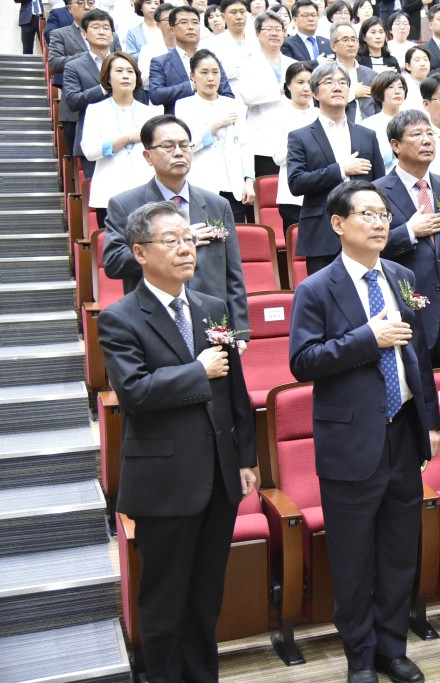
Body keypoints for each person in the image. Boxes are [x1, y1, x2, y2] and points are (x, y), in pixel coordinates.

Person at [288, 180, 440, 683]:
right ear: (338, 224)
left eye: (383, 215)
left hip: (402, 434)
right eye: (367, 215)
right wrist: (365, 339)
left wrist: (431, 422)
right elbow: (303, 362)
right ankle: (359, 657)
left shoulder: (400, 274)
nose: (379, 223)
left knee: (400, 553)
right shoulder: (316, 287)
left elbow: (417, 355)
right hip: (352, 442)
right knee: (353, 559)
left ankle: (391, 648)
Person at [98, 200, 257, 683]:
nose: (187, 248)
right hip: (165, 483)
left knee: (206, 597)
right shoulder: (120, 317)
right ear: (140, 253)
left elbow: (235, 388)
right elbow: (135, 393)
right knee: (165, 600)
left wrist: (246, 457)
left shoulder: (212, 308)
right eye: (172, 241)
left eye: (188, 239)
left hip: (219, 476)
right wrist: (196, 371)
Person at [104, 116, 250, 345]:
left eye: (185, 145)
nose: (179, 152)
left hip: (211, 324)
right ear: (147, 156)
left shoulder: (217, 205)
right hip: (154, 324)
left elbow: (233, 274)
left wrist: (239, 332)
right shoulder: (125, 205)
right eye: (168, 146)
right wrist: (173, 241)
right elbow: (113, 262)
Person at [376, 110, 440, 367]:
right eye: (416, 134)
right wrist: (409, 231)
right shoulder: (376, 192)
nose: (427, 140)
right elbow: (369, 249)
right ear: (396, 146)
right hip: (408, 309)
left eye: (430, 133)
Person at [286, 62, 385, 274]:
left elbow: (379, 186)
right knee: (325, 300)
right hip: (321, 233)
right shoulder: (300, 137)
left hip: (365, 229)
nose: (337, 87)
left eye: (343, 82)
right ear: (315, 93)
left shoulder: (367, 135)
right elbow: (296, 182)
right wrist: (340, 170)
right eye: (329, 82)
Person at [80, 52, 162, 222]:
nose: (126, 75)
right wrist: (127, 138)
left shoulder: (151, 113)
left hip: (146, 192)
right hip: (109, 192)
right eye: (119, 71)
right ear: (108, 78)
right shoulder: (95, 110)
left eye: (130, 71)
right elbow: (90, 151)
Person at [176, 50, 255, 224]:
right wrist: (213, 126)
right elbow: (185, 147)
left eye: (215, 72)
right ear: (192, 76)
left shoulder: (234, 105)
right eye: (204, 73)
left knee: (234, 241)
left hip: (234, 187)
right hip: (201, 186)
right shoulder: (184, 106)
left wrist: (249, 182)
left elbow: (245, 146)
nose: (211, 78)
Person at [49, 6, 123, 163]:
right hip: (84, 123)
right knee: (86, 176)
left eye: (106, 28)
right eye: (96, 28)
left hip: (120, 127)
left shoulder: (124, 64)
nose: (102, 32)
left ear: (112, 35)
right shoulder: (74, 65)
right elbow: (74, 99)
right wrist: (104, 88)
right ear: (84, 33)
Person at [236, 10, 296, 177]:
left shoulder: (294, 65)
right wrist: (282, 88)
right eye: (269, 29)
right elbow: (249, 96)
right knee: (265, 190)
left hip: (291, 136)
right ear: (257, 34)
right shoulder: (247, 64)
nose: (274, 33)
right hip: (261, 139)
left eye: (278, 29)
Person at [151, 5, 233, 114]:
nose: (191, 27)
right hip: (178, 125)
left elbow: (228, 95)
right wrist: (192, 86)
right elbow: (155, 95)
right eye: (184, 22)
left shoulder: (212, 60)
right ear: (172, 29)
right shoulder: (161, 62)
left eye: (195, 22)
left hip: (215, 120)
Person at [270, 62, 317, 229]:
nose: (306, 88)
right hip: (291, 195)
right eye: (300, 82)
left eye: (310, 83)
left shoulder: (321, 115)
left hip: (320, 191)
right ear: (288, 85)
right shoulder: (279, 116)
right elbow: (277, 158)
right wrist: (303, 146)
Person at [199, 0, 258, 93]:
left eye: (242, 12)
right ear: (223, 16)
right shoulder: (211, 45)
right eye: (233, 12)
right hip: (229, 95)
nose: (239, 17)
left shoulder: (259, 40)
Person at [331, 22, 379, 123]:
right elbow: (324, 104)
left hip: (369, 131)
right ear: (333, 46)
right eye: (345, 40)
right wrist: (352, 94)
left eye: (354, 40)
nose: (351, 44)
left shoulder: (372, 75)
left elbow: (379, 107)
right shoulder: (326, 74)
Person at [362, 70, 407, 174]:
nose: (397, 91)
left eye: (400, 87)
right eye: (391, 87)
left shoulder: (413, 121)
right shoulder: (368, 125)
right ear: (379, 92)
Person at [281, 0, 333, 66]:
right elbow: (290, 67)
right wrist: (316, 63)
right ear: (295, 20)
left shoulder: (328, 43)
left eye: (313, 15)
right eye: (305, 15)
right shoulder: (287, 44)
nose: (311, 19)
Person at [401, 46, 432, 111]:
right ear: (408, 66)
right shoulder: (401, 86)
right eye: (417, 60)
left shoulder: (436, 84)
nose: (423, 64)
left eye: (426, 60)